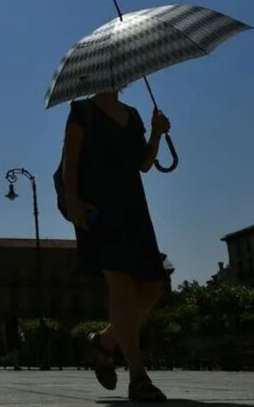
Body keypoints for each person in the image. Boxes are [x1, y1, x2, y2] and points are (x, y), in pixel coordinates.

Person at [62, 90, 170, 402]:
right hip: (99, 209)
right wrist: (72, 201)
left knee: (152, 288)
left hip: (134, 208)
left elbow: (144, 164)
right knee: (121, 285)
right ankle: (138, 376)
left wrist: (157, 133)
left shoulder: (133, 114)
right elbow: (71, 159)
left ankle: (106, 341)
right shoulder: (82, 111)